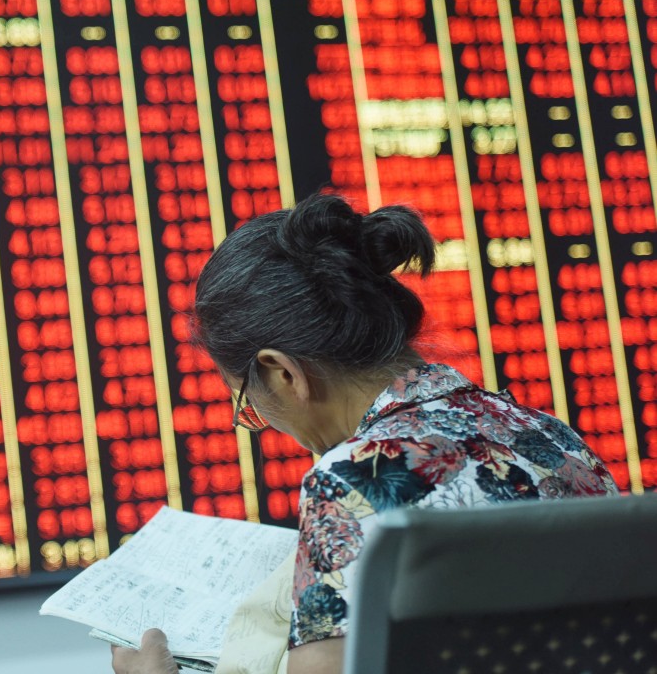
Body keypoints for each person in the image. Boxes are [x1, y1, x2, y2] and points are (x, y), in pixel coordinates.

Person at [111, 193, 618, 674]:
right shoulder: (551, 436)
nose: (260, 420)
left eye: (250, 404)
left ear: (283, 374)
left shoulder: (353, 478)